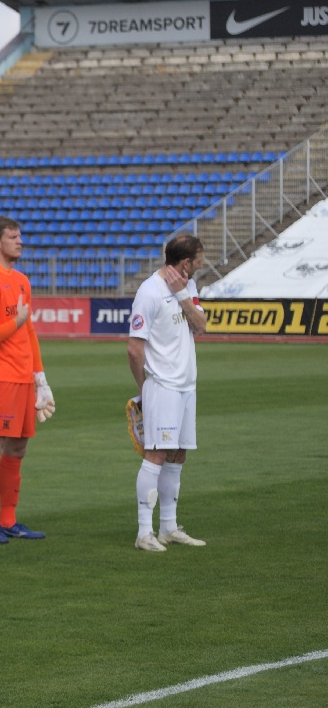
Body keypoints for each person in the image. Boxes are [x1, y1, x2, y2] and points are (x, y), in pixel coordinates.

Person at [0, 216, 55, 544]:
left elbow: (29, 331)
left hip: (23, 378)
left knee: (18, 447)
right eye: (13, 237)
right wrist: (17, 319)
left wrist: (40, 378)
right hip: (0, 378)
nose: (20, 241)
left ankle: (8, 520)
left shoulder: (21, 280)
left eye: (20, 236)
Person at [128, 234, 208, 551]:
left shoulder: (188, 286)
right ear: (186, 262)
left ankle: (168, 528)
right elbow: (134, 349)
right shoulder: (149, 291)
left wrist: (183, 295)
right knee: (157, 455)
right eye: (199, 260)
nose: (202, 264)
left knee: (178, 455)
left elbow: (201, 324)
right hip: (162, 385)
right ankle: (143, 532)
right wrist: (144, 389)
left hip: (187, 385)